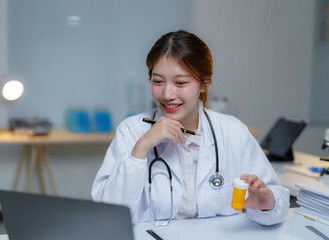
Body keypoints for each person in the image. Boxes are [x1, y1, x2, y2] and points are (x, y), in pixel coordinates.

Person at [92, 30, 289, 226]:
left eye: (180, 83)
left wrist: (267, 205)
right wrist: (140, 148)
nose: (167, 94)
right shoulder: (132, 130)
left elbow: (277, 200)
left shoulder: (232, 131)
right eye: (158, 81)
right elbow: (107, 216)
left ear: (204, 84)